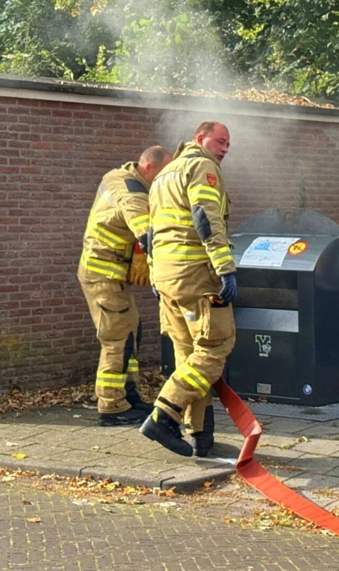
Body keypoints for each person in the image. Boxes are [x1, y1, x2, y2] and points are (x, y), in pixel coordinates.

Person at [139, 121, 236, 457]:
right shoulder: (201, 165)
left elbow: (151, 235)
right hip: (195, 277)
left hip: (166, 281)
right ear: (200, 138)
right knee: (213, 349)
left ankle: (200, 435)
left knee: (187, 356)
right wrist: (226, 269)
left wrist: (154, 275)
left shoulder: (163, 175)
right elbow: (205, 218)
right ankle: (163, 415)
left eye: (228, 144)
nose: (224, 148)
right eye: (220, 141)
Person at [78, 145, 172, 426]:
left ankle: (128, 395)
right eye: (162, 174)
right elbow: (143, 225)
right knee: (117, 339)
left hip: (111, 276)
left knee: (131, 333)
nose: (164, 180)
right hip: (104, 276)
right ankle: (111, 406)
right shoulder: (131, 189)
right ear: (148, 168)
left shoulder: (121, 176)